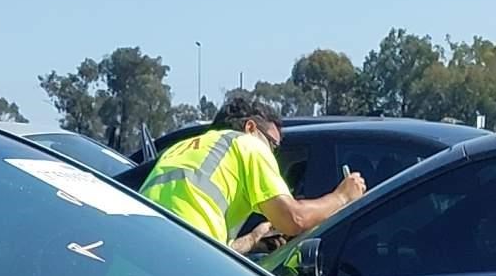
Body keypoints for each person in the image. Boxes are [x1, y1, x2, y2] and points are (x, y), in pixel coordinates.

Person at [139, 93, 366, 252]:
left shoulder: (181, 148)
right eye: (273, 146)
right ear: (250, 128)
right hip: (183, 261)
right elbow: (294, 219)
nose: (272, 155)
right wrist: (342, 196)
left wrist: (253, 239)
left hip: (135, 260)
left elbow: (210, 245)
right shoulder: (247, 144)